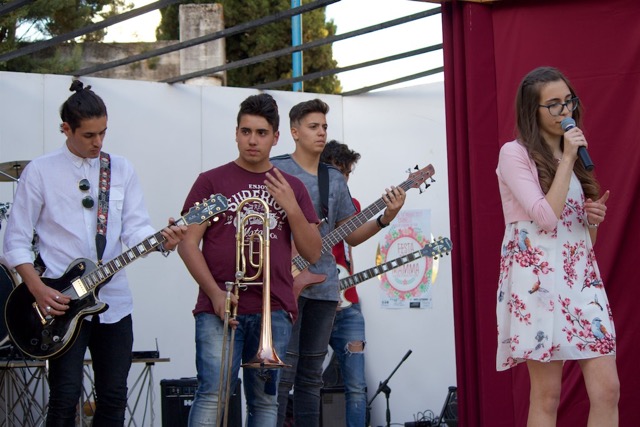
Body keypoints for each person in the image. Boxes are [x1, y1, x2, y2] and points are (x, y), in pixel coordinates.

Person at [2, 80, 187, 426]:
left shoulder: (121, 169)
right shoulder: (40, 171)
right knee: (64, 396)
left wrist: (163, 241)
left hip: (114, 303)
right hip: (60, 302)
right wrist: (38, 290)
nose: (98, 142)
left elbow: (135, 229)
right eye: (89, 135)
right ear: (66, 129)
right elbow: (14, 242)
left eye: (103, 132)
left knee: (114, 397)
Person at [177, 93, 322, 427]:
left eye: (261, 133)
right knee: (212, 394)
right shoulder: (212, 182)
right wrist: (215, 293)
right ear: (236, 133)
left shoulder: (292, 187)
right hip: (220, 307)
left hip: (274, 308)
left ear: (276, 137)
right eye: (246, 132)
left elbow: (313, 252)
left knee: (266, 403)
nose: (252, 140)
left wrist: (292, 207)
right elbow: (188, 243)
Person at [496, 66, 619, 426]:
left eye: (568, 101)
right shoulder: (514, 154)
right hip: (538, 283)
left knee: (607, 389)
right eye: (553, 104)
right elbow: (545, 218)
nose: (565, 110)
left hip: (580, 281)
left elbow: (583, 243)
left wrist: (591, 221)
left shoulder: (572, 158)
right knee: (547, 396)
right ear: (531, 111)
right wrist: (567, 157)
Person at [272, 99, 405, 427]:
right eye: (313, 126)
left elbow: (352, 234)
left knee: (311, 378)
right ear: (294, 132)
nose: (321, 132)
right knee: (281, 376)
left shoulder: (333, 178)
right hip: (283, 287)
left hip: (324, 289)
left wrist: (386, 218)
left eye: (324, 127)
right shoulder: (275, 170)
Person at [320, 140, 369, 427]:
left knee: (356, 386)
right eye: (339, 172)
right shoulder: (309, 204)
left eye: (348, 173)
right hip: (315, 302)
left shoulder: (354, 206)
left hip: (349, 305)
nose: (344, 179)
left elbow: (349, 251)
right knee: (305, 379)